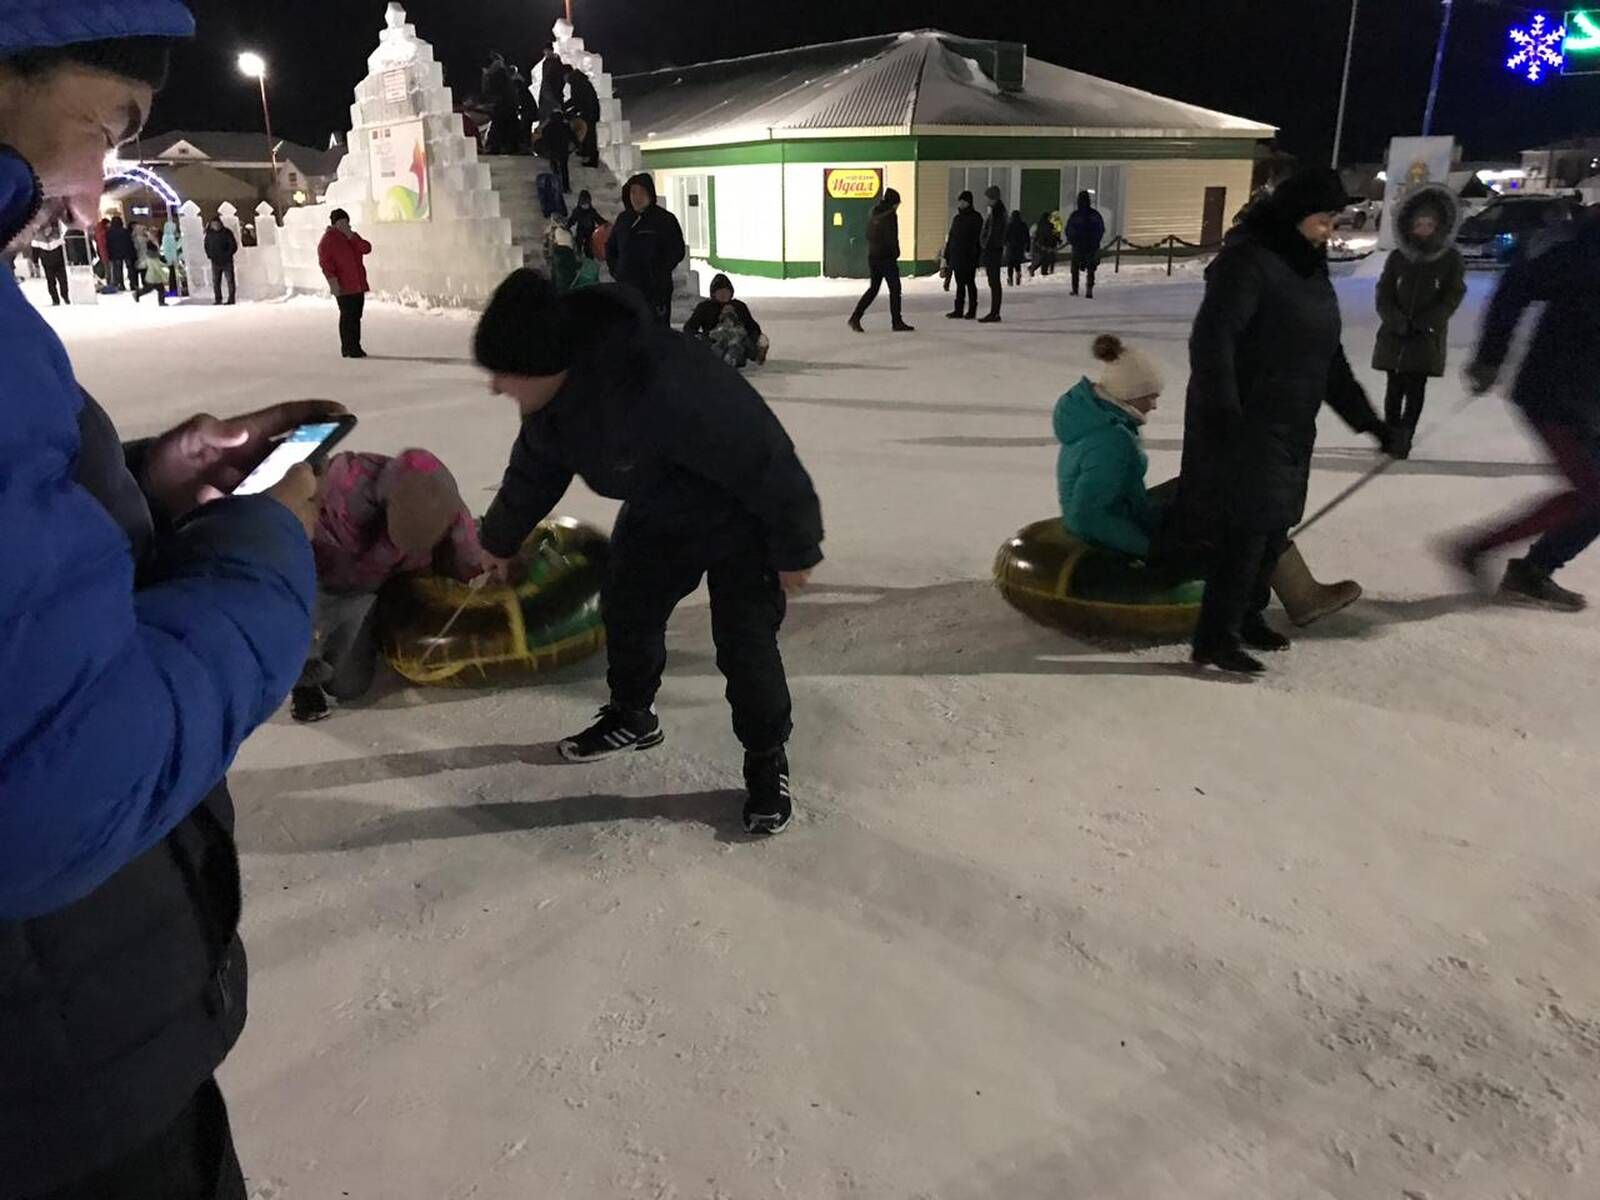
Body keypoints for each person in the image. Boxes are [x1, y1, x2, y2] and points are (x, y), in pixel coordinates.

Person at [0, 7, 340, 1194]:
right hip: (52, 1088)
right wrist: (261, 548)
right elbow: (54, 776)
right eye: (103, 124)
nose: (94, 187)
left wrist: (127, 493)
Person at [474, 271, 823, 835]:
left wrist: (795, 544)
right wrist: (497, 540)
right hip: (660, 510)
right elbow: (536, 467)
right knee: (627, 605)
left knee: (744, 644)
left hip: (743, 519)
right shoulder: (552, 402)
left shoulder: (663, 377)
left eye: (505, 374)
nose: (496, 387)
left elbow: (763, 453)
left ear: (544, 362)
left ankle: (766, 758)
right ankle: (633, 714)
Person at [1168, 168, 1398, 675]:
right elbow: (1213, 340)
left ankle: (1247, 617)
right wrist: (1224, 411)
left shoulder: (1306, 266)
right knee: (1245, 529)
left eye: (1333, 221)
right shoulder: (1248, 263)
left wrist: (1372, 424)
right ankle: (1214, 637)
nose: (1329, 231)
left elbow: (1329, 360)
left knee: (1272, 523)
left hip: (1292, 420)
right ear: (1295, 216)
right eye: (1322, 221)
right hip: (1242, 419)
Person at [1056, 334, 1363, 626]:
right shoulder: (1112, 441)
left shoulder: (1098, 419)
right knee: (1237, 507)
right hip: (1124, 527)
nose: (1155, 405)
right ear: (1129, 395)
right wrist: (1150, 548)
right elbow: (1090, 514)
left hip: (1130, 509)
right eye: (1149, 397)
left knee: (1210, 488)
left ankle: (1291, 584)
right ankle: (1299, 595)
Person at [1447, 205, 1600, 612]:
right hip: (1557, 393)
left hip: (1588, 397)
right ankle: (1481, 550)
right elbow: (1517, 285)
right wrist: (1490, 357)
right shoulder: (1586, 250)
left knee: (1594, 494)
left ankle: (1532, 572)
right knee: (1593, 492)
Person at [294, 449, 483, 722]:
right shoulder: (343, 492)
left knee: (353, 677)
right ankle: (303, 680)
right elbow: (322, 569)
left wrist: (480, 571)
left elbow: (467, 554)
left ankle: (375, 625)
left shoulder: (445, 505)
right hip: (333, 580)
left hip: (394, 577)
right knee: (346, 686)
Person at [1372, 184, 1466, 460]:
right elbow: (1384, 292)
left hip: (1425, 337)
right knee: (1393, 389)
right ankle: (1390, 434)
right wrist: (1394, 319)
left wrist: (1428, 322)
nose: (1423, 229)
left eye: (1429, 224)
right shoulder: (1399, 257)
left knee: (1415, 389)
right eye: (1419, 224)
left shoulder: (1449, 259)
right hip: (1395, 334)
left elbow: (1452, 295)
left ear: (1439, 226)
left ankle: (1405, 436)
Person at [606, 172, 685, 325]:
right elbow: (611, 248)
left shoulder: (665, 220)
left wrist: (659, 270)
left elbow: (677, 250)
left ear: (650, 193)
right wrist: (616, 271)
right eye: (633, 192)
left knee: (656, 337)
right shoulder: (623, 219)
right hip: (627, 291)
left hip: (656, 293)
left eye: (642, 192)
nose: (637, 196)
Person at [848, 186, 914, 333]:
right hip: (887, 258)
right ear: (893, 203)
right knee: (895, 289)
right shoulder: (890, 215)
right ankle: (897, 322)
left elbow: (867, 235)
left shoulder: (873, 213)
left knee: (873, 289)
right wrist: (895, 252)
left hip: (873, 256)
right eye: (897, 203)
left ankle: (855, 317)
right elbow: (891, 237)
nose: (898, 206)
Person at [319, 207, 372, 358]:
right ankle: (348, 347)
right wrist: (333, 283)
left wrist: (351, 236)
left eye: (346, 222)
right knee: (347, 316)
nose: (344, 224)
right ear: (335, 223)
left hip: (357, 284)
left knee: (356, 316)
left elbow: (366, 248)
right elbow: (326, 263)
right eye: (341, 222)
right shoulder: (328, 239)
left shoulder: (351, 237)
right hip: (343, 286)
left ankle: (355, 345)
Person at [684, 272, 769, 368]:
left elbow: (752, 326)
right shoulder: (705, 307)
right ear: (713, 293)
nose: (723, 295)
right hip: (714, 341)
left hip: (738, 340)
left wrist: (752, 337)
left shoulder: (739, 306)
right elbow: (689, 328)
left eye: (726, 292)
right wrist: (703, 337)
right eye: (720, 292)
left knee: (747, 343)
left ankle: (743, 356)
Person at [944, 189, 982, 319]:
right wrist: (947, 253)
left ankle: (972, 310)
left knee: (970, 283)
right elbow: (952, 237)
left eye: (962, 201)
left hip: (969, 256)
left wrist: (974, 255)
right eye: (959, 201)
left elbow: (976, 239)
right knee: (960, 284)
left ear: (968, 202)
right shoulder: (957, 218)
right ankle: (958, 309)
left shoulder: (975, 218)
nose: (960, 204)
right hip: (957, 255)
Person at [1065, 190, 1106, 298]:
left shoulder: (1075, 215)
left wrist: (1073, 241)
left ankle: (1075, 289)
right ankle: (1089, 289)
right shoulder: (1095, 215)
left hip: (1078, 246)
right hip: (1091, 246)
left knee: (1075, 268)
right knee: (1091, 269)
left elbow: (1069, 230)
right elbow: (1100, 229)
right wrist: (1095, 241)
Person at [481, 51, 519, 155]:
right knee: (505, 127)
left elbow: (489, 91)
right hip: (508, 105)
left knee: (498, 126)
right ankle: (508, 147)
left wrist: (486, 76)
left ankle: (495, 147)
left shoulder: (497, 74)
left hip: (503, 105)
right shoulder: (503, 73)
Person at [565, 65, 602, 167]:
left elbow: (577, 101)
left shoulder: (576, 82)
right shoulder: (579, 80)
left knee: (590, 135)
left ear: (567, 75)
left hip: (589, 112)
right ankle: (585, 151)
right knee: (588, 134)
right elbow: (577, 100)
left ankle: (593, 159)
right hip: (590, 111)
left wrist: (566, 109)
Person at [979, 184, 1006, 322]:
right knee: (993, 282)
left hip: (993, 251)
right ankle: (994, 311)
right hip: (994, 250)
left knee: (994, 281)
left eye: (988, 198)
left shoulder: (997, 213)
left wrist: (985, 245)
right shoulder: (997, 211)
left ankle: (994, 312)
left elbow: (993, 233)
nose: (987, 201)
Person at [30, 215, 69, 305]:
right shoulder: (39, 238)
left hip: (58, 262)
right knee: (52, 282)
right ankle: (56, 299)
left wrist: (35, 261)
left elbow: (64, 249)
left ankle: (64, 296)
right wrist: (35, 262)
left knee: (62, 281)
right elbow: (35, 252)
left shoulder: (56, 236)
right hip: (49, 263)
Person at [204, 215, 237, 305]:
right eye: (213, 224)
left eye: (216, 224)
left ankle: (231, 299)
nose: (215, 226)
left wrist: (227, 255)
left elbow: (233, 246)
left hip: (227, 261)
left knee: (230, 280)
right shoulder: (209, 234)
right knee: (216, 282)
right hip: (215, 261)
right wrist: (210, 255)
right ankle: (218, 299)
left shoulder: (227, 232)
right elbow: (206, 246)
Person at [133, 222, 168, 305]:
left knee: (153, 288)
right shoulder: (153, 258)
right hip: (154, 277)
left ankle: (138, 294)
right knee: (155, 289)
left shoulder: (149, 257)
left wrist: (139, 265)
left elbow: (144, 264)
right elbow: (158, 267)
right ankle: (138, 294)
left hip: (152, 277)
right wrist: (165, 275)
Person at [539, 109, 573, 194]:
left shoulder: (548, 127)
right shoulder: (565, 126)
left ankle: (556, 184)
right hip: (564, 151)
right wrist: (578, 145)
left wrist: (544, 150)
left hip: (553, 151)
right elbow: (572, 136)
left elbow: (544, 138)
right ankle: (566, 188)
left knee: (554, 167)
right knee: (564, 168)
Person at [568, 188, 604, 257]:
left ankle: (589, 256)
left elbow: (598, 219)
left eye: (587, 204)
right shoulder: (577, 211)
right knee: (579, 241)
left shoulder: (592, 211)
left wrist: (605, 223)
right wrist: (567, 226)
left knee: (589, 245)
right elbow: (572, 220)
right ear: (580, 203)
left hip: (590, 230)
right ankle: (579, 253)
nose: (585, 206)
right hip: (581, 230)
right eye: (583, 204)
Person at [106, 211, 135, 291]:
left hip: (115, 254)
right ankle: (132, 284)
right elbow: (129, 242)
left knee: (118, 270)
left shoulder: (109, 233)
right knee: (130, 269)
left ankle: (121, 285)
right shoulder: (125, 231)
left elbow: (108, 244)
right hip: (127, 252)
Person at [537, 47, 568, 122]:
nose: (545, 53)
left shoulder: (555, 64)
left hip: (553, 97)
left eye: (547, 51)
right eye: (544, 51)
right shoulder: (546, 63)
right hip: (549, 98)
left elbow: (556, 82)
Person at [1004, 209, 1031, 287]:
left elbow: (1005, 236)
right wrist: (1027, 247)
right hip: (1020, 247)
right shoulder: (1023, 225)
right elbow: (1027, 237)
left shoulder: (1009, 225)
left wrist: (1005, 243)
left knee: (1010, 264)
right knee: (1017, 263)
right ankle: (1018, 274)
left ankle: (1010, 278)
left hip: (1010, 247)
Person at [1030, 210, 1060, 277]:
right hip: (1048, 244)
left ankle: (1033, 268)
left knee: (1041, 258)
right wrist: (1057, 240)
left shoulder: (1038, 225)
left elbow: (1036, 234)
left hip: (1039, 244)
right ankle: (1044, 271)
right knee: (1047, 258)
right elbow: (1053, 234)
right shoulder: (1050, 225)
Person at [160, 213, 181, 296]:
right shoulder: (170, 237)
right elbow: (174, 247)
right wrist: (181, 241)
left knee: (172, 275)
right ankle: (174, 290)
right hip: (172, 259)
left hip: (170, 259)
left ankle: (173, 290)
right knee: (173, 276)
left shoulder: (165, 237)